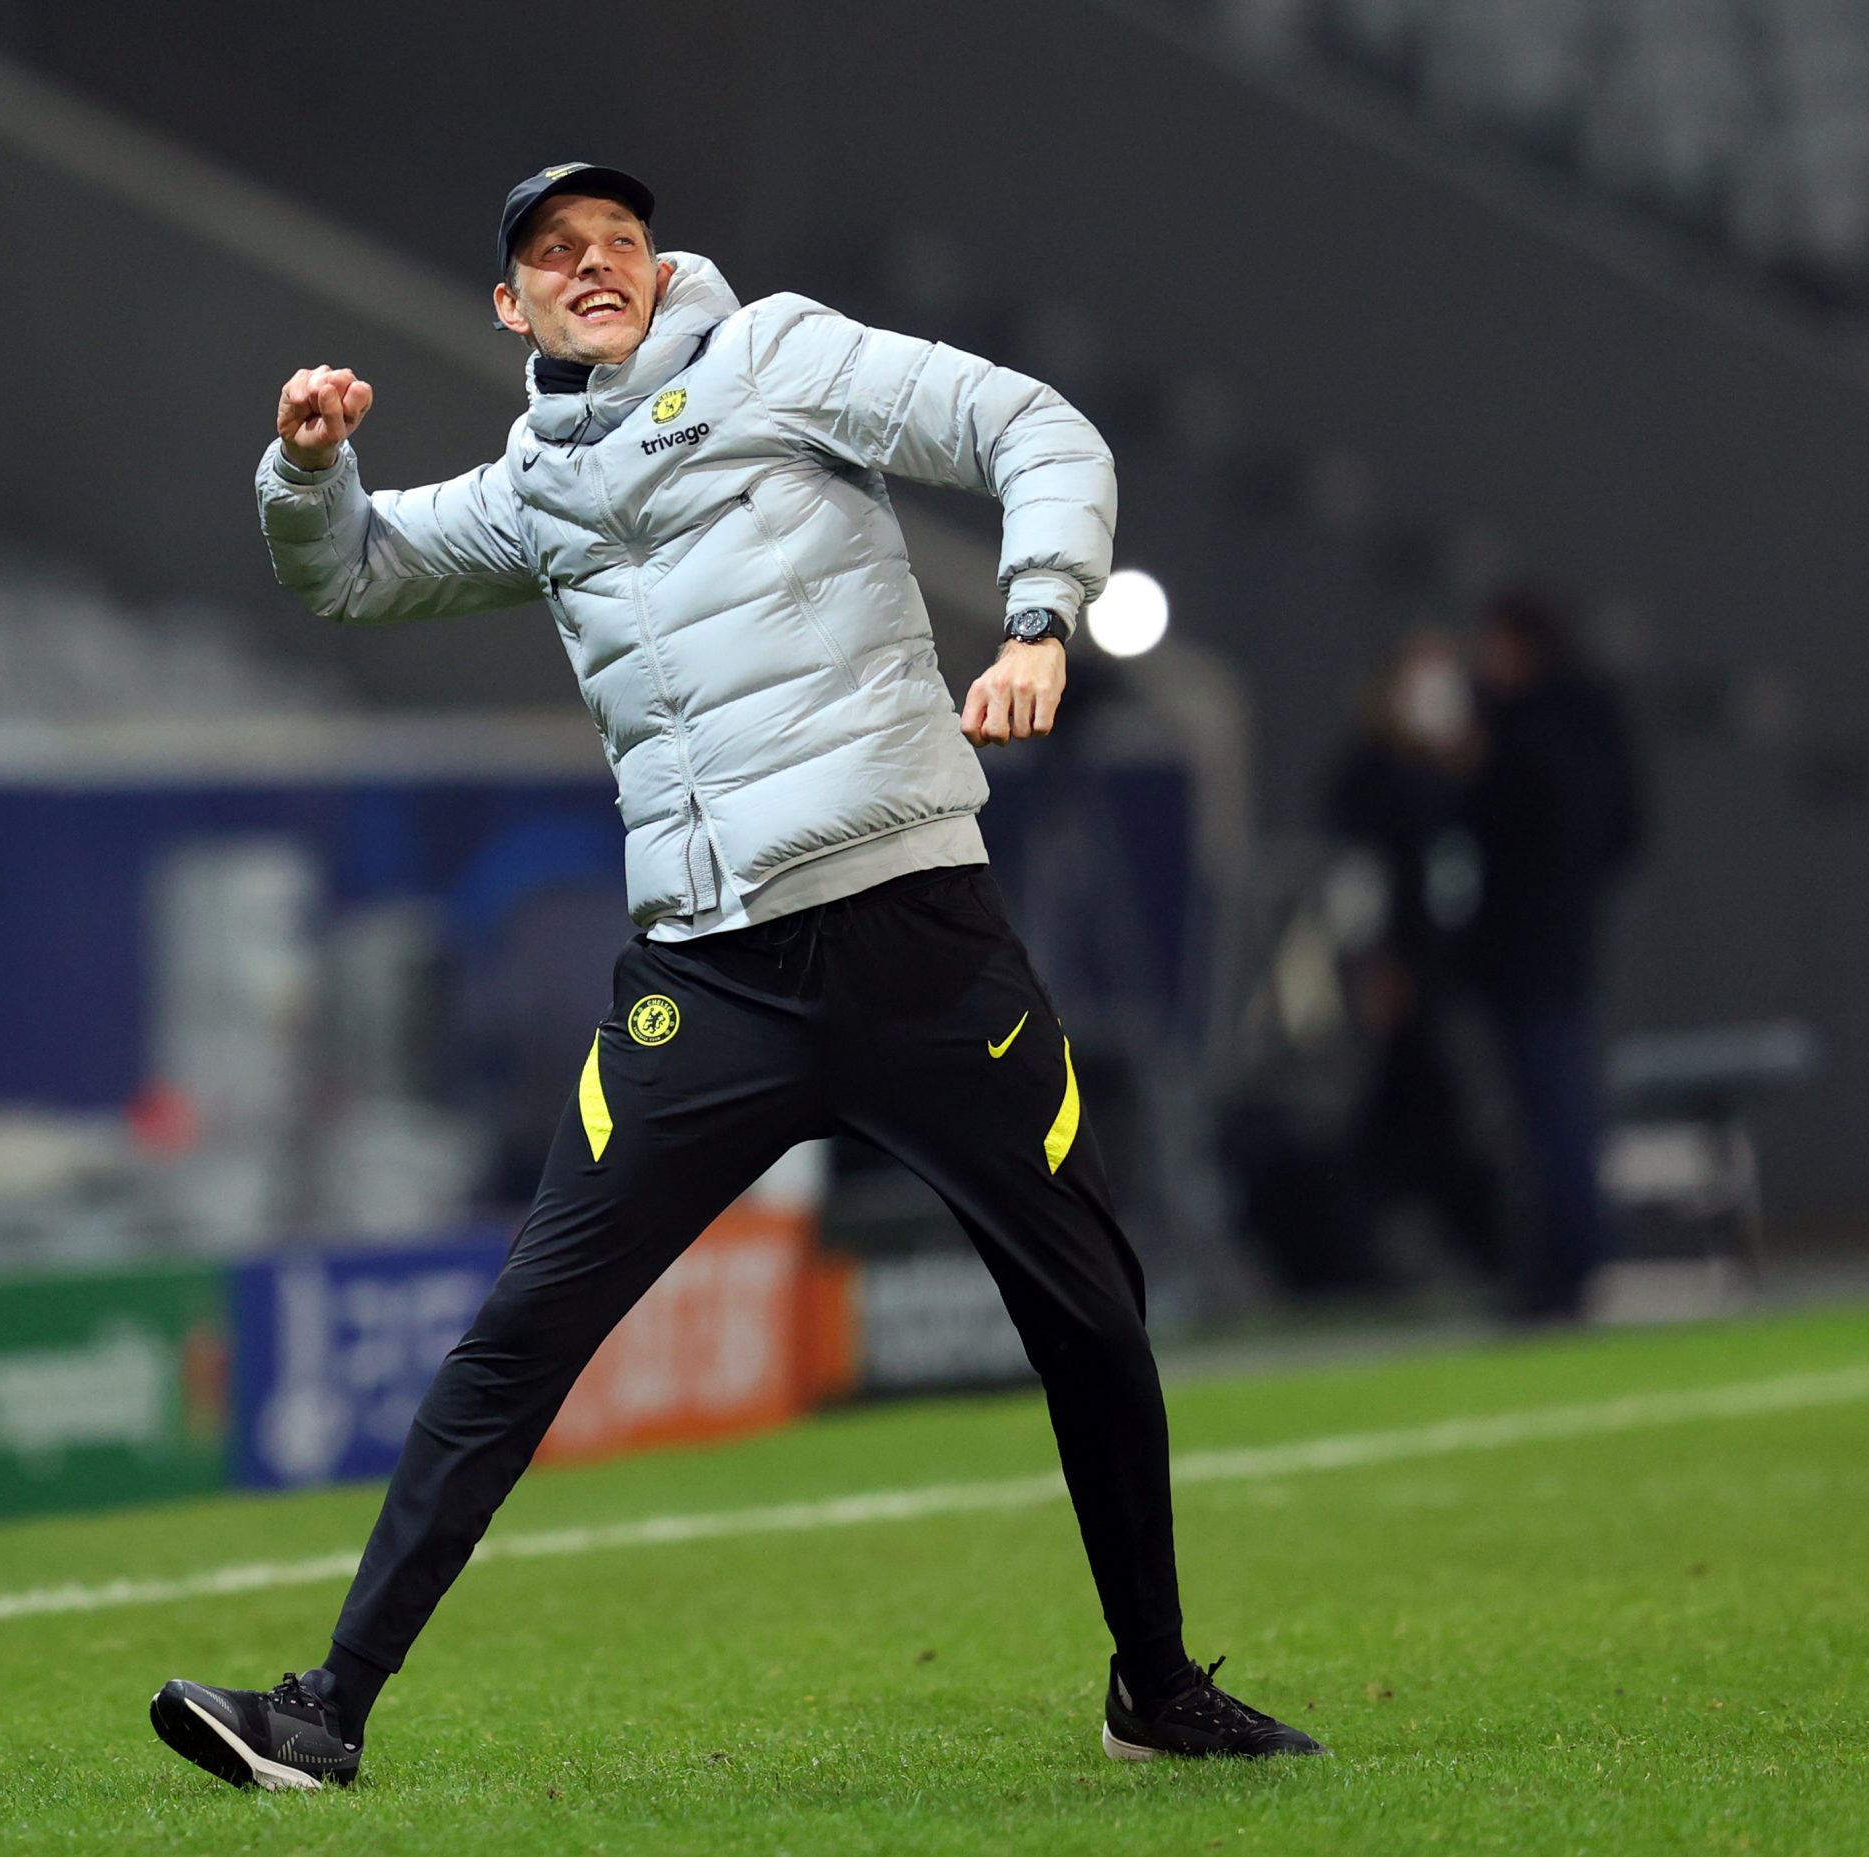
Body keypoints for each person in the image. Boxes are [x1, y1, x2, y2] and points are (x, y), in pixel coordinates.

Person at [149, 163, 1322, 1791]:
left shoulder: (775, 354)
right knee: (522, 1330)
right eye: (556, 255)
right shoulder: (532, 484)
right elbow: (348, 568)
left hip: (916, 931)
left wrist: (1042, 618)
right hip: (707, 980)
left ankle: (1155, 1678)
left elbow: (1038, 429)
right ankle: (322, 1711)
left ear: (657, 263)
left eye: (616, 242)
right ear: (515, 308)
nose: (592, 266)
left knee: (1090, 1308)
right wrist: (304, 466)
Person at [1462, 588, 1645, 1322]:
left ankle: (1563, 1267)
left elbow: (1492, 818)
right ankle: (1572, 1258)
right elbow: (1627, 828)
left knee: (1547, 1115)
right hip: (1565, 939)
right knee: (1558, 1105)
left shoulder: (1523, 730)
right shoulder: (1591, 724)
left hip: (1525, 946)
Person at [1323, 632, 1508, 1289]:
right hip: (1398, 974)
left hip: (1436, 974)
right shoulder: (1373, 773)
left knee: (1408, 1123)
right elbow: (1361, 880)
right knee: (1413, 1122)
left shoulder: (1448, 774)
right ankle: (1353, 1255)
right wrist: (1374, 962)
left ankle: (1354, 1256)